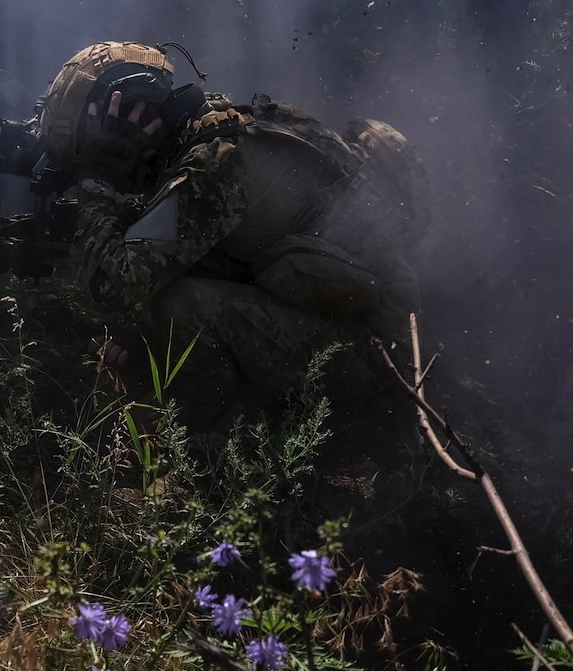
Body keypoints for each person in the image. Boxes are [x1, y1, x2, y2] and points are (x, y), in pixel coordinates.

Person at [35, 42, 429, 425]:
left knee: (179, 305)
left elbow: (116, 287)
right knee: (168, 286)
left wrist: (96, 183)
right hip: (360, 317)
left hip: (380, 352)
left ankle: (206, 433)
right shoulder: (214, 127)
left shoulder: (213, 164)